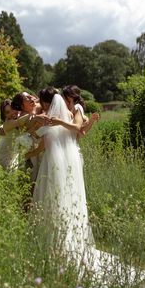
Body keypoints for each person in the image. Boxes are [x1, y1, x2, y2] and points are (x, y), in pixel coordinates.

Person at [27, 88, 94, 267]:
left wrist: (30, 150)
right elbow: (43, 142)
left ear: (47, 103)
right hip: (66, 162)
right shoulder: (65, 116)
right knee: (64, 197)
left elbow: (42, 141)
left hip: (54, 163)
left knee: (52, 197)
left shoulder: (56, 119)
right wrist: (31, 151)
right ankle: (63, 241)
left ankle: (55, 243)